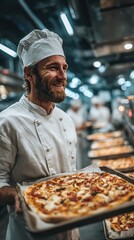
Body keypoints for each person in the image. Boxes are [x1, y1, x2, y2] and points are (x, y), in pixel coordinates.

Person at [0, 29, 79, 240]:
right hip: (31, 233)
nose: (62, 75)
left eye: (64, 68)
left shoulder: (66, 119)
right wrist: (21, 196)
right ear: (29, 74)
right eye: (53, 68)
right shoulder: (8, 122)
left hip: (73, 225)